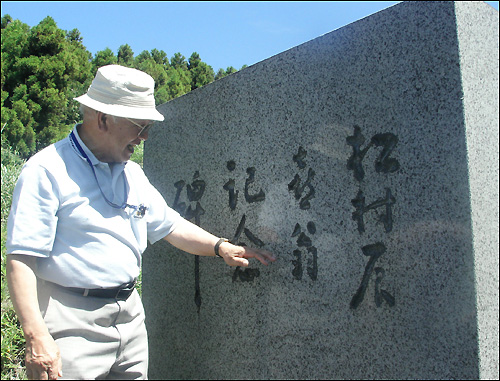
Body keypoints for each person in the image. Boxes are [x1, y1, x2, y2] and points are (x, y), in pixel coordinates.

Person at [6, 64, 276, 380]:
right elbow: (21, 260)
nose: (145, 136)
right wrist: (36, 336)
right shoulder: (47, 171)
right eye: (139, 125)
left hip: (129, 316)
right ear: (103, 119)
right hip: (70, 319)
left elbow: (171, 226)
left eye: (148, 126)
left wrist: (221, 247)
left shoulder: (132, 174)